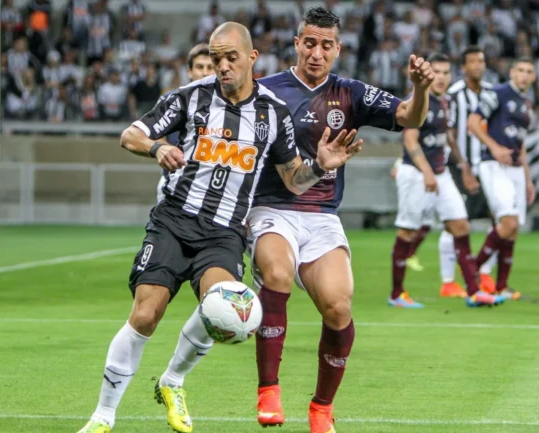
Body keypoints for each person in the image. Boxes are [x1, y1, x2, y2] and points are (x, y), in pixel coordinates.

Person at [75, 21, 362, 433]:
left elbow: (291, 178)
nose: (222, 66)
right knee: (146, 312)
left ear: (251, 58)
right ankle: (103, 415)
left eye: (230, 57)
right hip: (173, 221)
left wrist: (319, 166)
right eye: (215, 59)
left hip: (225, 231)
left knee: (222, 309)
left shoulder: (272, 112)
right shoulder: (189, 98)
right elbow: (131, 134)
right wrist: (159, 147)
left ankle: (172, 379)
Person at [247, 7, 434, 433]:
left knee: (338, 307)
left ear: (338, 49)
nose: (316, 53)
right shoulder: (266, 92)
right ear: (296, 44)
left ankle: (321, 408)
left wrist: (421, 89)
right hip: (271, 210)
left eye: (325, 45)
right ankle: (268, 391)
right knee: (276, 273)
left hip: (322, 215)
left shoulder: (350, 93)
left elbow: (410, 116)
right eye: (309, 43)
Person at [389, 53, 504, 308]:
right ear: (427, 74)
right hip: (417, 173)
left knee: (461, 226)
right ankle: (397, 294)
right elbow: (409, 140)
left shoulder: (445, 102)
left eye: (445, 73)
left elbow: (447, 135)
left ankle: (473, 291)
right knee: (408, 231)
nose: (440, 77)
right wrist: (426, 171)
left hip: (441, 173)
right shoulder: (419, 101)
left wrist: (461, 165)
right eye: (436, 72)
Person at [467, 57, 537, 300]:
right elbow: (473, 123)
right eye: (520, 70)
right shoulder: (498, 93)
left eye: (529, 71)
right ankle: (473, 271)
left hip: (516, 168)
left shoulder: (527, 104)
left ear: (534, 77)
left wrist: (528, 180)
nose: (524, 75)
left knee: (513, 229)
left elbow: (522, 144)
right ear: (511, 72)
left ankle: (501, 285)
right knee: (507, 223)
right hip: (495, 165)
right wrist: (494, 147)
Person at [441, 46, 499, 296]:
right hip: (459, 165)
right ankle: (448, 281)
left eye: (481, 61)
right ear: (463, 68)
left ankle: (484, 274)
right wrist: (463, 167)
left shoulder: (491, 93)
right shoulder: (454, 94)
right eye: (472, 61)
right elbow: (449, 133)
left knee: (498, 219)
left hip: (486, 166)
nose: (478, 65)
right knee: (455, 222)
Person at [156, 44, 215, 203]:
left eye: (210, 67)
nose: (204, 72)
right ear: (189, 71)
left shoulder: (228, 104)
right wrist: (163, 148)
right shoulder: (172, 99)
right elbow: (154, 134)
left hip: (212, 189)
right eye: (199, 67)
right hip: (173, 182)